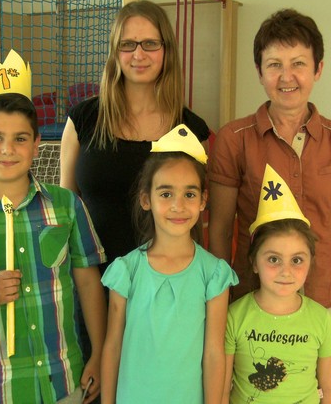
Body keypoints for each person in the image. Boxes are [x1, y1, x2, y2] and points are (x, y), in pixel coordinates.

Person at [208, 8, 331, 369]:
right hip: (253, 299)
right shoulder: (234, 139)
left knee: (316, 390)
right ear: (259, 71)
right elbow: (219, 230)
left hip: (326, 299)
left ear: (318, 69)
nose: (287, 77)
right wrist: (219, 305)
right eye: (274, 65)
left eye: (298, 63)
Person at [0, 49, 107, 403]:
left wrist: (98, 353)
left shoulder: (66, 205)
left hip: (62, 379)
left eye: (20, 138)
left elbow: (87, 282)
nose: (8, 149)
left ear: (36, 145)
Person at [60, 0, 211, 275]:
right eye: (128, 44)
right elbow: (65, 209)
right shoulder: (83, 120)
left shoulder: (191, 129)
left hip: (165, 282)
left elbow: (195, 220)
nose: (138, 54)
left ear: (167, 50)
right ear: (115, 52)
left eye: (150, 44)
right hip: (91, 278)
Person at [101, 125, 238, 403]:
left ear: (203, 201)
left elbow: (214, 352)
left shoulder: (214, 274)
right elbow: (113, 346)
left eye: (189, 194)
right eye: (166, 194)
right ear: (146, 199)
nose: (178, 205)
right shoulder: (126, 271)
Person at [223, 164, 331, 404]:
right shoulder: (234, 316)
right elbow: (223, 389)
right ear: (254, 262)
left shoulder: (321, 319)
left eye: (297, 260)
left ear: (310, 262)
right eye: (273, 259)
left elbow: (330, 390)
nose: (286, 271)